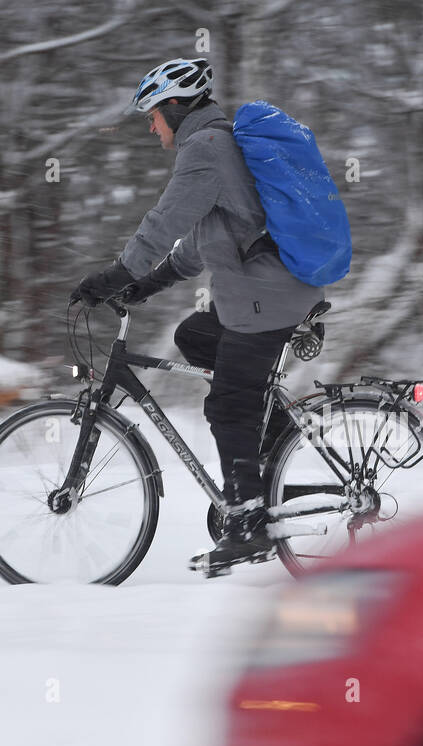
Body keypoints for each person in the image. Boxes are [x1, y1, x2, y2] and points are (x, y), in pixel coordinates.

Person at [71, 57, 324, 574]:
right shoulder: (214, 147)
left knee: (227, 406)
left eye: (152, 115)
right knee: (194, 334)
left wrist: (116, 275)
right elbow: (199, 241)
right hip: (264, 293)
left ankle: (248, 523)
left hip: (265, 296)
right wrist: (149, 283)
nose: (150, 126)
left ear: (173, 107)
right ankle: (272, 443)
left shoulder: (205, 149)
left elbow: (161, 224)